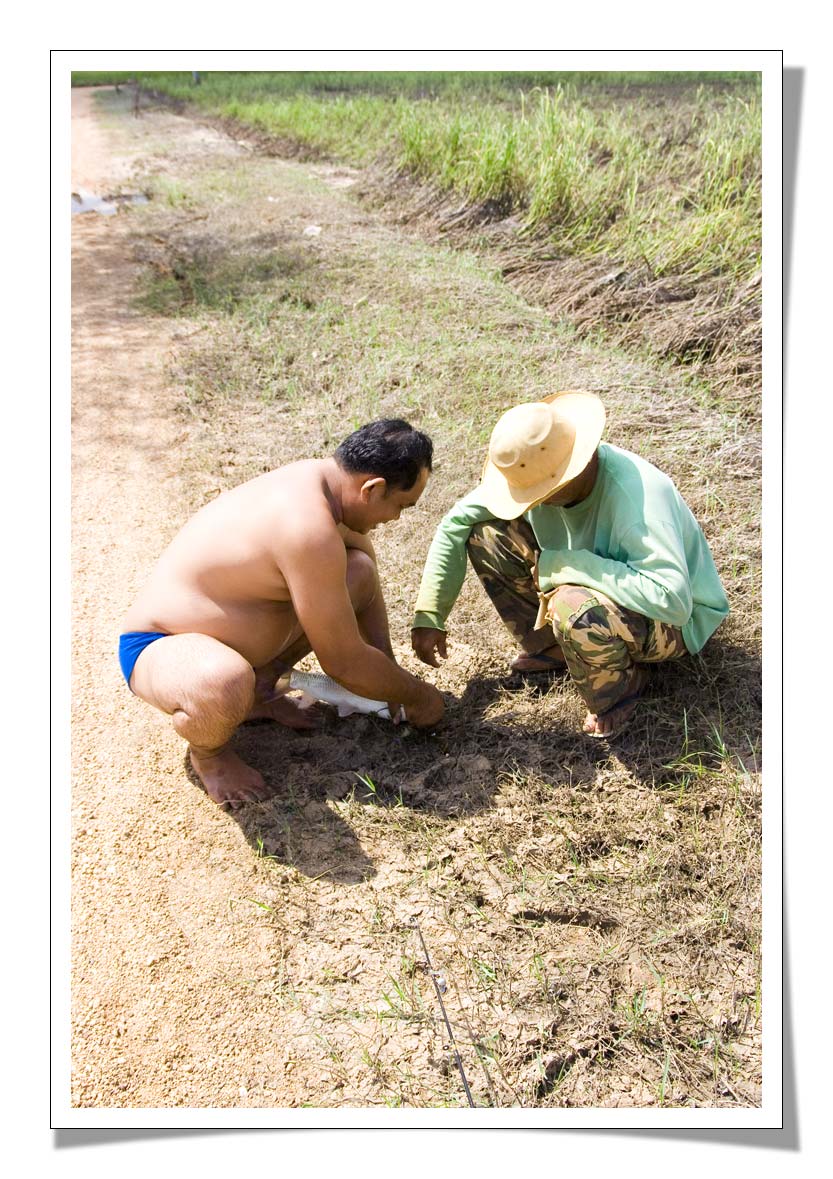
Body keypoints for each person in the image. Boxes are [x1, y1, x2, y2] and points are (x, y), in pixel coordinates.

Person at [120, 419, 445, 808]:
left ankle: (259, 686)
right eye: (401, 506)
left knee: (356, 572)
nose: (395, 518)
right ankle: (210, 754)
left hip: (232, 642)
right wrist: (420, 697)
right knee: (223, 686)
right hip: (160, 646)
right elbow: (343, 662)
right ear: (372, 488)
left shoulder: (320, 483)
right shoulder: (306, 525)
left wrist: (391, 675)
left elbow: (366, 574)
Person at [411, 391, 729, 738]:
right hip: (598, 584)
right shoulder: (538, 469)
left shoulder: (637, 496)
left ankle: (620, 687)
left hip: (672, 623)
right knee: (485, 533)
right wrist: (430, 615)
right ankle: (555, 648)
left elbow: (673, 602)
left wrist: (567, 564)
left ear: (568, 474)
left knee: (572, 605)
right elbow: (456, 523)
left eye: (538, 495)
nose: (532, 502)